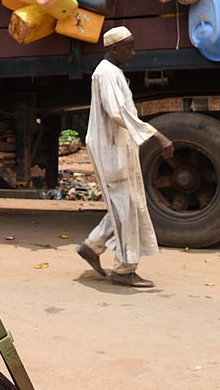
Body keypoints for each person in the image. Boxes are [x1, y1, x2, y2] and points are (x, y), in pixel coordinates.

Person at [76, 26, 174, 288]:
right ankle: (124, 269)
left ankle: (92, 246)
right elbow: (118, 112)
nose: (133, 51)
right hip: (111, 149)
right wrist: (157, 135)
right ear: (113, 49)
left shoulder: (112, 72)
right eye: (128, 47)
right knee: (126, 206)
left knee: (125, 203)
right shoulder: (106, 73)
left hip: (117, 147)